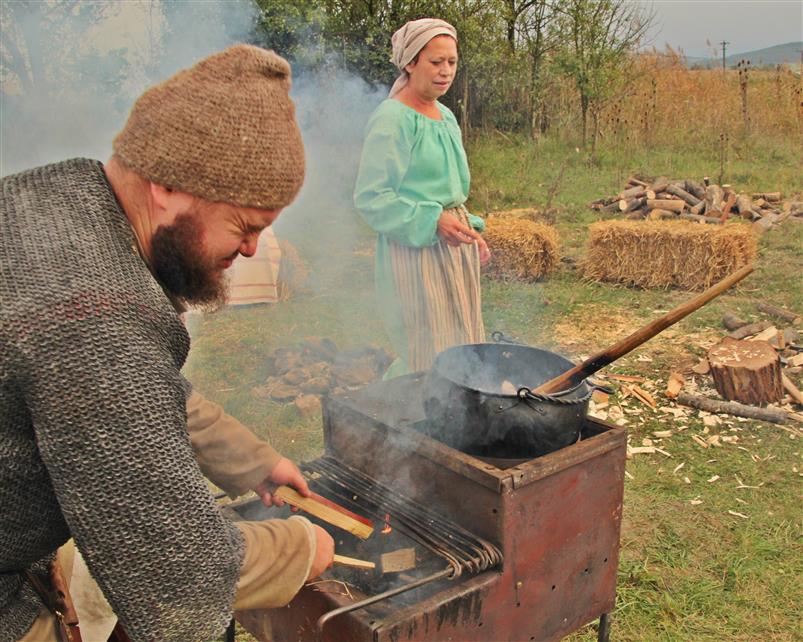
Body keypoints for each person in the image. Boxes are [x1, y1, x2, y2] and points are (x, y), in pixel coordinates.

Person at [1, 45, 334, 642]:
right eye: (246, 226)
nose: (253, 249)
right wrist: (301, 547)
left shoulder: (55, 200)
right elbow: (175, 569)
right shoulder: (94, 315)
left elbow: (139, 391)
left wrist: (251, 460)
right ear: (168, 186)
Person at [354, 18, 491, 379]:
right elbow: (372, 197)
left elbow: (450, 193)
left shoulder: (445, 116)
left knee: (463, 341)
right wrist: (432, 220)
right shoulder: (392, 119)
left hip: (452, 246)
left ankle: (458, 409)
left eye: (452, 62)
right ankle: (405, 409)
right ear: (410, 63)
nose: (446, 71)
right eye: (436, 62)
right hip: (415, 250)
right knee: (425, 352)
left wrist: (470, 230)